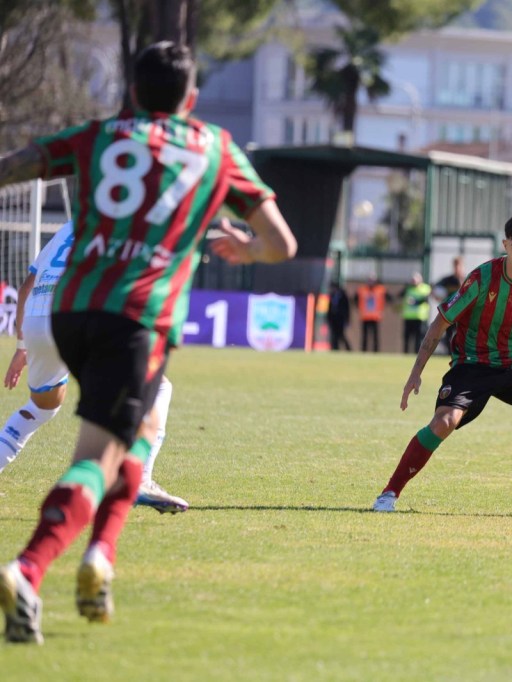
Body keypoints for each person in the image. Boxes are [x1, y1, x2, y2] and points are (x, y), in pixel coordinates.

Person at [0, 41, 297, 644]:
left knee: (142, 421)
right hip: (133, 317)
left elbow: (18, 163)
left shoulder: (97, 136)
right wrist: (246, 248)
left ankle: (100, 558)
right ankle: (31, 568)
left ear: (133, 92)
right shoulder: (212, 146)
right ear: (191, 99)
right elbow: (282, 245)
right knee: (99, 457)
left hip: (65, 310)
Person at [372, 212, 512, 516]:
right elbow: (440, 323)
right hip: (472, 366)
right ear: (506, 245)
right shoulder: (482, 279)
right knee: (443, 423)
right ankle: (388, 494)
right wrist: (415, 373)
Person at [0, 221, 188, 515]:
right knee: (158, 387)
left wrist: (22, 347)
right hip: (78, 313)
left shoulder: (69, 225)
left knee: (41, 408)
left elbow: (27, 285)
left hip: (37, 320)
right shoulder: (125, 222)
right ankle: (141, 478)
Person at [432, 255, 465, 352]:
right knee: (449, 334)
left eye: (458, 266)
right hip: (450, 312)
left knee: (461, 334)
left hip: (462, 313)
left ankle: (460, 353)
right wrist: (436, 295)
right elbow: (434, 288)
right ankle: (448, 353)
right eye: (455, 266)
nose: (457, 268)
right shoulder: (447, 280)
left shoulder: (466, 279)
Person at [354, 276, 391, 352]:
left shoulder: (380, 290)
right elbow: (354, 299)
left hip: (375, 316)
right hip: (365, 316)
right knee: (364, 336)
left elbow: (389, 298)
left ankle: (376, 351)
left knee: (375, 336)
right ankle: (363, 351)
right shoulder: (362, 290)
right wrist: (359, 308)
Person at [399, 272, 432, 354]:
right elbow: (399, 295)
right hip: (408, 316)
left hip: (420, 317)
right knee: (407, 337)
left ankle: (417, 353)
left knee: (418, 338)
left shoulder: (425, 288)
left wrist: (415, 302)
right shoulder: (408, 288)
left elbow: (425, 299)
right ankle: (405, 353)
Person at [326, 282, 351, 351]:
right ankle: (335, 349)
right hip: (333, 319)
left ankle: (348, 349)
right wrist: (328, 318)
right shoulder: (332, 295)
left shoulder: (342, 295)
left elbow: (346, 308)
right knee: (334, 336)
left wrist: (347, 319)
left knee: (341, 335)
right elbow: (329, 308)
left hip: (340, 319)